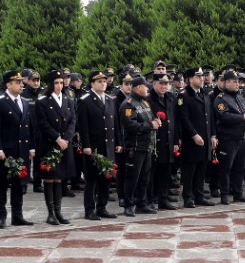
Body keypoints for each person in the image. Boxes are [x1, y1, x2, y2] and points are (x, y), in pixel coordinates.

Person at [0, 69, 35, 228]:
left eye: (22, 82)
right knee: (2, 185)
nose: (22, 85)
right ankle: (1, 217)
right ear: (8, 84)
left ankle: (17, 216)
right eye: (18, 82)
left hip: (21, 150)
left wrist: (31, 147)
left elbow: (29, 127)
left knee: (19, 184)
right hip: (6, 152)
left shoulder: (25, 102)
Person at [35, 69, 78, 225]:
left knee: (60, 178)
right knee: (50, 178)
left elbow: (73, 121)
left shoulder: (68, 100)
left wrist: (66, 138)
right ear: (50, 84)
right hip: (50, 144)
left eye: (61, 83)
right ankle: (51, 213)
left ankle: (59, 212)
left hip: (64, 145)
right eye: (56, 83)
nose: (59, 86)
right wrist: (57, 138)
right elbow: (42, 123)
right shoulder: (42, 101)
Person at [75, 70, 120, 221]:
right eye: (99, 81)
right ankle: (89, 210)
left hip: (108, 145)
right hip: (93, 147)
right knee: (91, 179)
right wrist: (86, 145)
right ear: (92, 83)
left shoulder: (109, 99)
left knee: (106, 178)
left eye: (104, 81)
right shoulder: (85, 100)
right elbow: (83, 126)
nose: (103, 83)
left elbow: (115, 123)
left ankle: (102, 207)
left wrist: (118, 142)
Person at [118, 74, 158, 216]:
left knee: (144, 177)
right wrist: (150, 125)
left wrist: (155, 121)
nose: (148, 89)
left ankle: (141, 203)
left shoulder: (144, 102)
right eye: (146, 86)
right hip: (134, 147)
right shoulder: (129, 104)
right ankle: (129, 204)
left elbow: (150, 117)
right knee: (132, 177)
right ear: (139, 87)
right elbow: (130, 125)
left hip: (146, 146)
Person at [213, 70, 245, 203]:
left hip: (241, 137)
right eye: (234, 81)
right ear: (226, 82)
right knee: (226, 167)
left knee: (240, 167)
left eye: (238, 82)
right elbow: (224, 116)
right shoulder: (221, 98)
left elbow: (244, 111)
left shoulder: (239, 96)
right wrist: (243, 117)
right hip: (228, 138)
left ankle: (238, 192)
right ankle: (224, 194)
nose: (237, 84)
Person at [178, 66, 213, 206]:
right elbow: (184, 118)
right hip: (191, 139)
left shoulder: (204, 94)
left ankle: (199, 195)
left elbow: (210, 117)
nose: (202, 79)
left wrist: (213, 135)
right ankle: (188, 197)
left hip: (205, 137)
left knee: (201, 169)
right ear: (190, 79)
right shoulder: (184, 95)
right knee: (189, 170)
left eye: (202, 76)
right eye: (198, 77)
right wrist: (194, 135)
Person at [149, 73, 179, 211]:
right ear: (154, 84)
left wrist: (176, 140)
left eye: (166, 84)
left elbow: (175, 120)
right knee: (152, 173)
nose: (164, 86)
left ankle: (163, 199)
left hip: (169, 140)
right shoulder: (149, 99)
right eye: (161, 83)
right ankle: (150, 199)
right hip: (154, 142)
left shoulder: (171, 98)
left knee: (166, 172)